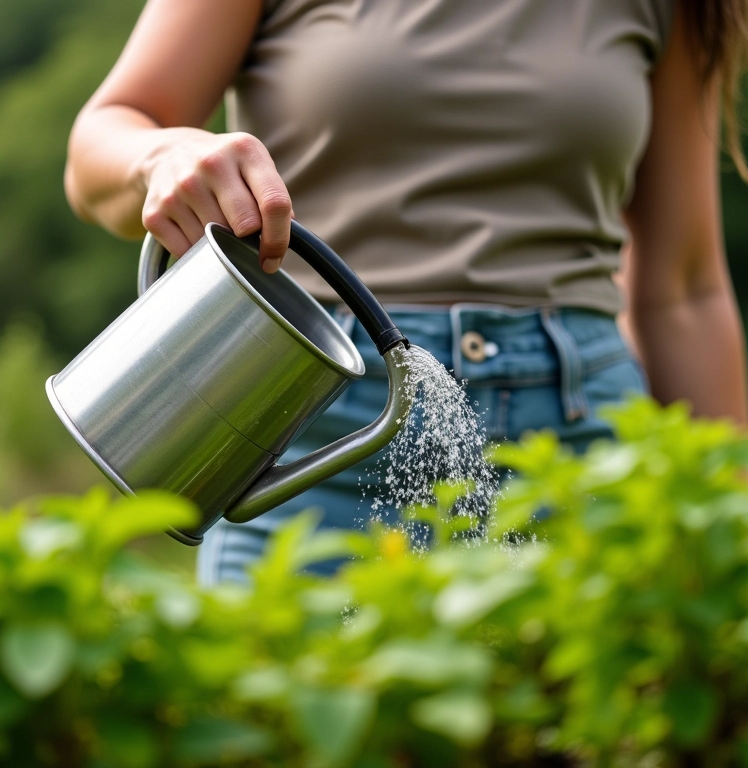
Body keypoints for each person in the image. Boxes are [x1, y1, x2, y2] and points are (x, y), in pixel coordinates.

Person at [64, 0, 748, 583]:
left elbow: (683, 291)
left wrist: (728, 531)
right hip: (316, 441)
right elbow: (100, 144)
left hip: (583, 453)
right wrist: (162, 156)